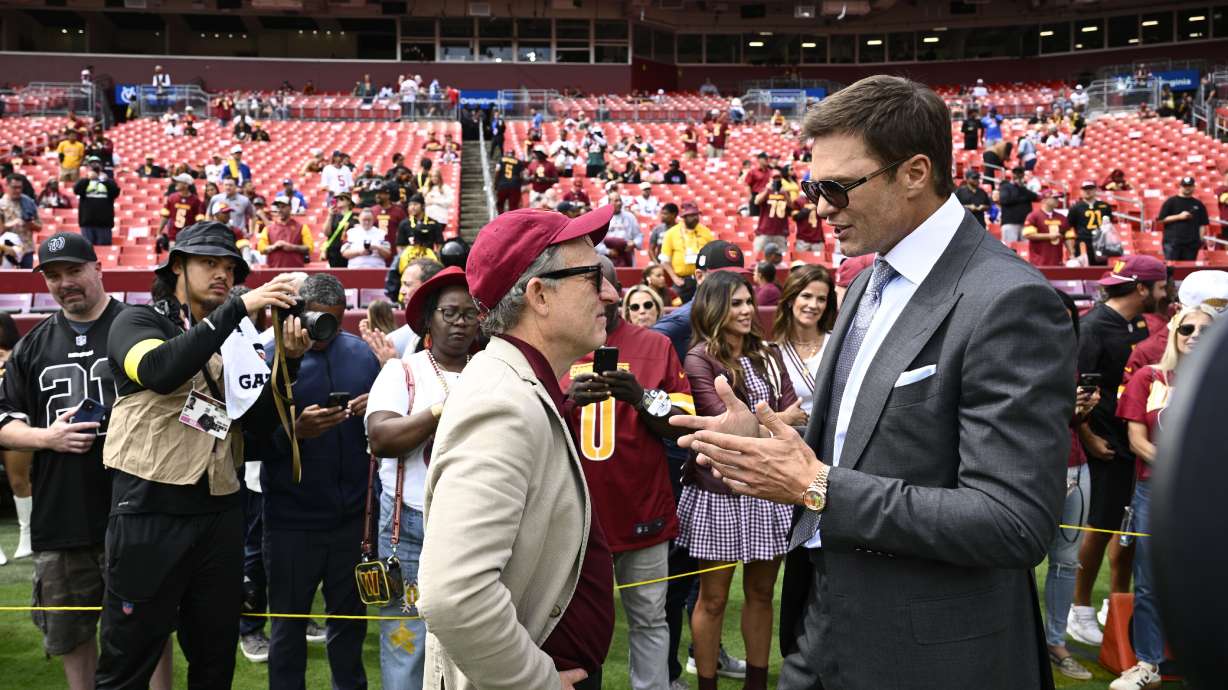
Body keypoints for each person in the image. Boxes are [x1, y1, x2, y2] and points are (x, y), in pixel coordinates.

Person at [671, 75, 1076, 690]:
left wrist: (816, 486)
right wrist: (765, 434)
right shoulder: (866, 281)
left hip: (932, 658)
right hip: (825, 627)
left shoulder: (1009, 300)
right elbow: (855, 445)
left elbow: (1011, 521)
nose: (820, 206)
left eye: (837, 186)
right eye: (813, 186)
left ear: (915, 172)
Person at [96, 222, 310, 689]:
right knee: (127, 659)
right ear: (177, 266)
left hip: (220, 509)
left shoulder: (236, 338)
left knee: (215, 661)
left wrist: (287, 361)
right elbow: (159, 370)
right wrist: (236, 310)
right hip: (149, 506)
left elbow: (256, 425)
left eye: (230, 267)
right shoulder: (136, 321)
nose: (223, 274)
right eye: (209, 262)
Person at [417, 206, 621, 690]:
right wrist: (535, 680)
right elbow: (454, 595)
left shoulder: (519, 386)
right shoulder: (503, 402)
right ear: (539, 295)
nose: (611, 292)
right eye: (593, 277)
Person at [0, 234, 174, 690]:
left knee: (148, 633)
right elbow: (3, 422)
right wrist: (46, 437)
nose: (65, 283)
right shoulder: (32, 345)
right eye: (54, 276)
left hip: (139, 508)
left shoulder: (140, 325)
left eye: (74, 271)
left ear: (98, 268)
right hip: (63, 515)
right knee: (71, 635)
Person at [561, 257, 695, 690]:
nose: (600, 296)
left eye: (606, 287)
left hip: (642, 512)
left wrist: (641, 398)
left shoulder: (654, 346)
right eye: (589, 286)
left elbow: (680, 424)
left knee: (650, 620)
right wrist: (566, 401)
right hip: (573, 519)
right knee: (576, 628)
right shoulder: (556, 345)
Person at [678, 270, 803, 690]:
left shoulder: (768, 353)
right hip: (719, 488)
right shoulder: (699, 357)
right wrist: (772, 425)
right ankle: (708, 684)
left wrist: (759, 425)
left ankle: (756, 683)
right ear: (714, 308)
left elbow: (796, 411)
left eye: (749, 301)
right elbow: (724, 426)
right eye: (736, 303)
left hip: (770, 486)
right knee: (712, 598)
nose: (748, 310)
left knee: (763, 593)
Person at [364, 266, 480, 690]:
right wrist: (440, 410)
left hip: (475, 526)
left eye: (470, 313)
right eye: (450, 312)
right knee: (406, 642)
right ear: (429, 318)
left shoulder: (491, 371)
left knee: (470, 639)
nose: (460, 322)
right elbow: (381, 438)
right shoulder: (403, 372)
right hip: (409, 526)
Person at [261, 273, 377, 690]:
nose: (324, 332)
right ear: (297, 312)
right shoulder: (268, 357)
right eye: (317, 320)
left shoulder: (361, 355)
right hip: (292, 520)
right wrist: (293, 431)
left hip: (351, 519)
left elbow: (384, 429)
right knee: (288, 630)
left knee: (349, 627)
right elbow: (248, 440)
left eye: (335, 320)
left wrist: (373, 409)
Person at [1111, 304, 1214, 690]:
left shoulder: (1218, 382)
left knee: (1209, 578)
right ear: (1174, 334)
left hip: (1211, 493)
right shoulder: (1147, 378)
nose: (1194, 336)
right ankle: (1148, 664)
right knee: (1151, 581)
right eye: (1186, 329)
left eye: (1205, 330)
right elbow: (1137, 441)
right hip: (1154, 491)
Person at [1069, 255, 1166, 647]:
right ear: (1141, 288)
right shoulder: (1092, 326)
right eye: (1159, 286)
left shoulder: (1138, 323)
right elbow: (1077, 388)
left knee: (1126, 528)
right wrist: (1089, 436)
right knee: (1101, 524)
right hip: (1103, 442)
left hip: (1128, 441)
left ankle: (1117, 601)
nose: (1164, 293)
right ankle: (1079, 609)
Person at [1042, 290, 1098, 681]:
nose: (1060, 324)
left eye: (1067, 318)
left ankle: (1055, 640)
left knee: (1064, 562)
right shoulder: (1013, 355)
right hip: (1030, 471)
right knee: (1014, 561)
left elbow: (1068, 423)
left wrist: (1080, 414)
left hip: (1074, 467)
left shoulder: (1074, 362)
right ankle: (1022, 636)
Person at [772, 264, 837, 418]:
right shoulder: (774, 352)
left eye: (821, 299)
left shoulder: (838, 344)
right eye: (806, 296)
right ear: (790, 299)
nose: (813, 305)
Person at [658, 201, 715, 302]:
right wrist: (675, 278)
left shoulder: (705, 231)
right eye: (692, 215)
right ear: (684, 217)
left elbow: (713, 254)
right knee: (675, 304)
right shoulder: (671, 233)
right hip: (682, 280)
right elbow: (665, 261)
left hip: (703, 278)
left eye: (697, 215)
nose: (696, 218)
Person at [1157, 176, 1209, 261]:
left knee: (1188, 270)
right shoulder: (1171, 201)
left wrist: (1200, 239)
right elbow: (1161, 220)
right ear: (1180, 187)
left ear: (1193, 187)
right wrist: (1179, 217)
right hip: (1172, 242)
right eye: (1185, 186)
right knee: (1171, 270)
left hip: (1191, 244)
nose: (1187, 188)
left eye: (1190, 186)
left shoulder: (1198, 204)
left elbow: (1203, 224)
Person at [73, 160, 121, 246]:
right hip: (87, 223)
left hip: (104, 224)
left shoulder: (107, 181)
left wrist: (106, 180)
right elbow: (76, 190)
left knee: (104, 250)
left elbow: (115, 192)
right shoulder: (85, 181)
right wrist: (87, 178)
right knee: (88, 251)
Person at [1067, 180, 1113, 266]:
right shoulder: (1076, 208)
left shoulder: (1105, 206)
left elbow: (1109, 224)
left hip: (1101, 242)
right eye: (1085, 189)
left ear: (1095, 190)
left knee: (1101, 268)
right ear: (1081, 191)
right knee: (1084, 267)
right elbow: (1070, 225)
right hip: (1083, 242)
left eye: (1090, 189)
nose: (1088, 191)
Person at [258, 197, 313, 268]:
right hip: (274, 270)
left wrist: (292, 247)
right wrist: (274, 246)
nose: (280, 210)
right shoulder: (268, 228)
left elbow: (309, 248)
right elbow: (261, 249)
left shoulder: (301, 227)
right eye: (278, 207)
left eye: (283, 207)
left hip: (296, 271)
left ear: (290, 208)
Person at [1022, 190, 1073, 266]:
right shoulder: (1033, 216)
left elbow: (1068, 237)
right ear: (1044, 199)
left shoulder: (1062, 217)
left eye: (1058, 198)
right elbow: (1028, 234)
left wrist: (1072, 254)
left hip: (1057, 261)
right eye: (1054, 198)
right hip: (1038, 262)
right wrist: (1049, 236)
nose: (1057, 200)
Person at [159, 174, 203, 246]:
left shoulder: (196, 201)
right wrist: (159, 232)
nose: (176, 183)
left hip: (189, 238)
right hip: (173, 237)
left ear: (186, 185)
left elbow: (199, 222)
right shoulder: (171, 197)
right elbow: (165, 216)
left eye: (179, 181)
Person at [754, 170, 792, 254]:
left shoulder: (785, 192)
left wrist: (784, 193)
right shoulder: (765, 190)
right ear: (770, 179)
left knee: (782, 256)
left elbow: (791, 206)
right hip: (765, 230)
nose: (776, 180)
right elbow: (756, 201)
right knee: (758, 254)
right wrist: (767, 190)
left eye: (778, 178)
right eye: (774, 178)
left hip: (780, 231)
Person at [998, 166, 1039, 244]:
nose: (1018, 175)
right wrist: (1021, 197)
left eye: (1020, 173)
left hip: (1024, 223)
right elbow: (1004, 200)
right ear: (1012, 174)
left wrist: (1022, 188)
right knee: (1010, 251)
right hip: (1010, 222)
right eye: (1016, 173)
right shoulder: (1006, 186)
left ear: (1023, 175)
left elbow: (1035, 197)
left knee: (1024, 250)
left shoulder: (1025, 188)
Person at [601, 195, 642, 267]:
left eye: (620, 200)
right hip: (608, 254)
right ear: (609, 203)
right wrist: (607, 251)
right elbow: (597, 242)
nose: (619, 203)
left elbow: (638, 236)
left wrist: (634, 243)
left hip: (626, 252)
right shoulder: (603, 218)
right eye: (616, 201)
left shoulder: (630, 216)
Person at [322, 194, 357, 268]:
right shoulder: (333, 215)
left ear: (349, 202)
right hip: (334, 251)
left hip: (349, 250)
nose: (338, 200)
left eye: (341, 199)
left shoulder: (355, 216)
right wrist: (330, 215)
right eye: (336, 199)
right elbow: (326, 232)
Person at [743, 153, 773, 219]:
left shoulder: (770, 172)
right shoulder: (753, 172)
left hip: (767, 197)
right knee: (755, 217)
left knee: (766, 218)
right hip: (756, 195)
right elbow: (747, 184)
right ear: (759, 160)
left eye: (767, 158)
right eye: (765, 158)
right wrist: (750, 196)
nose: (767, 160)